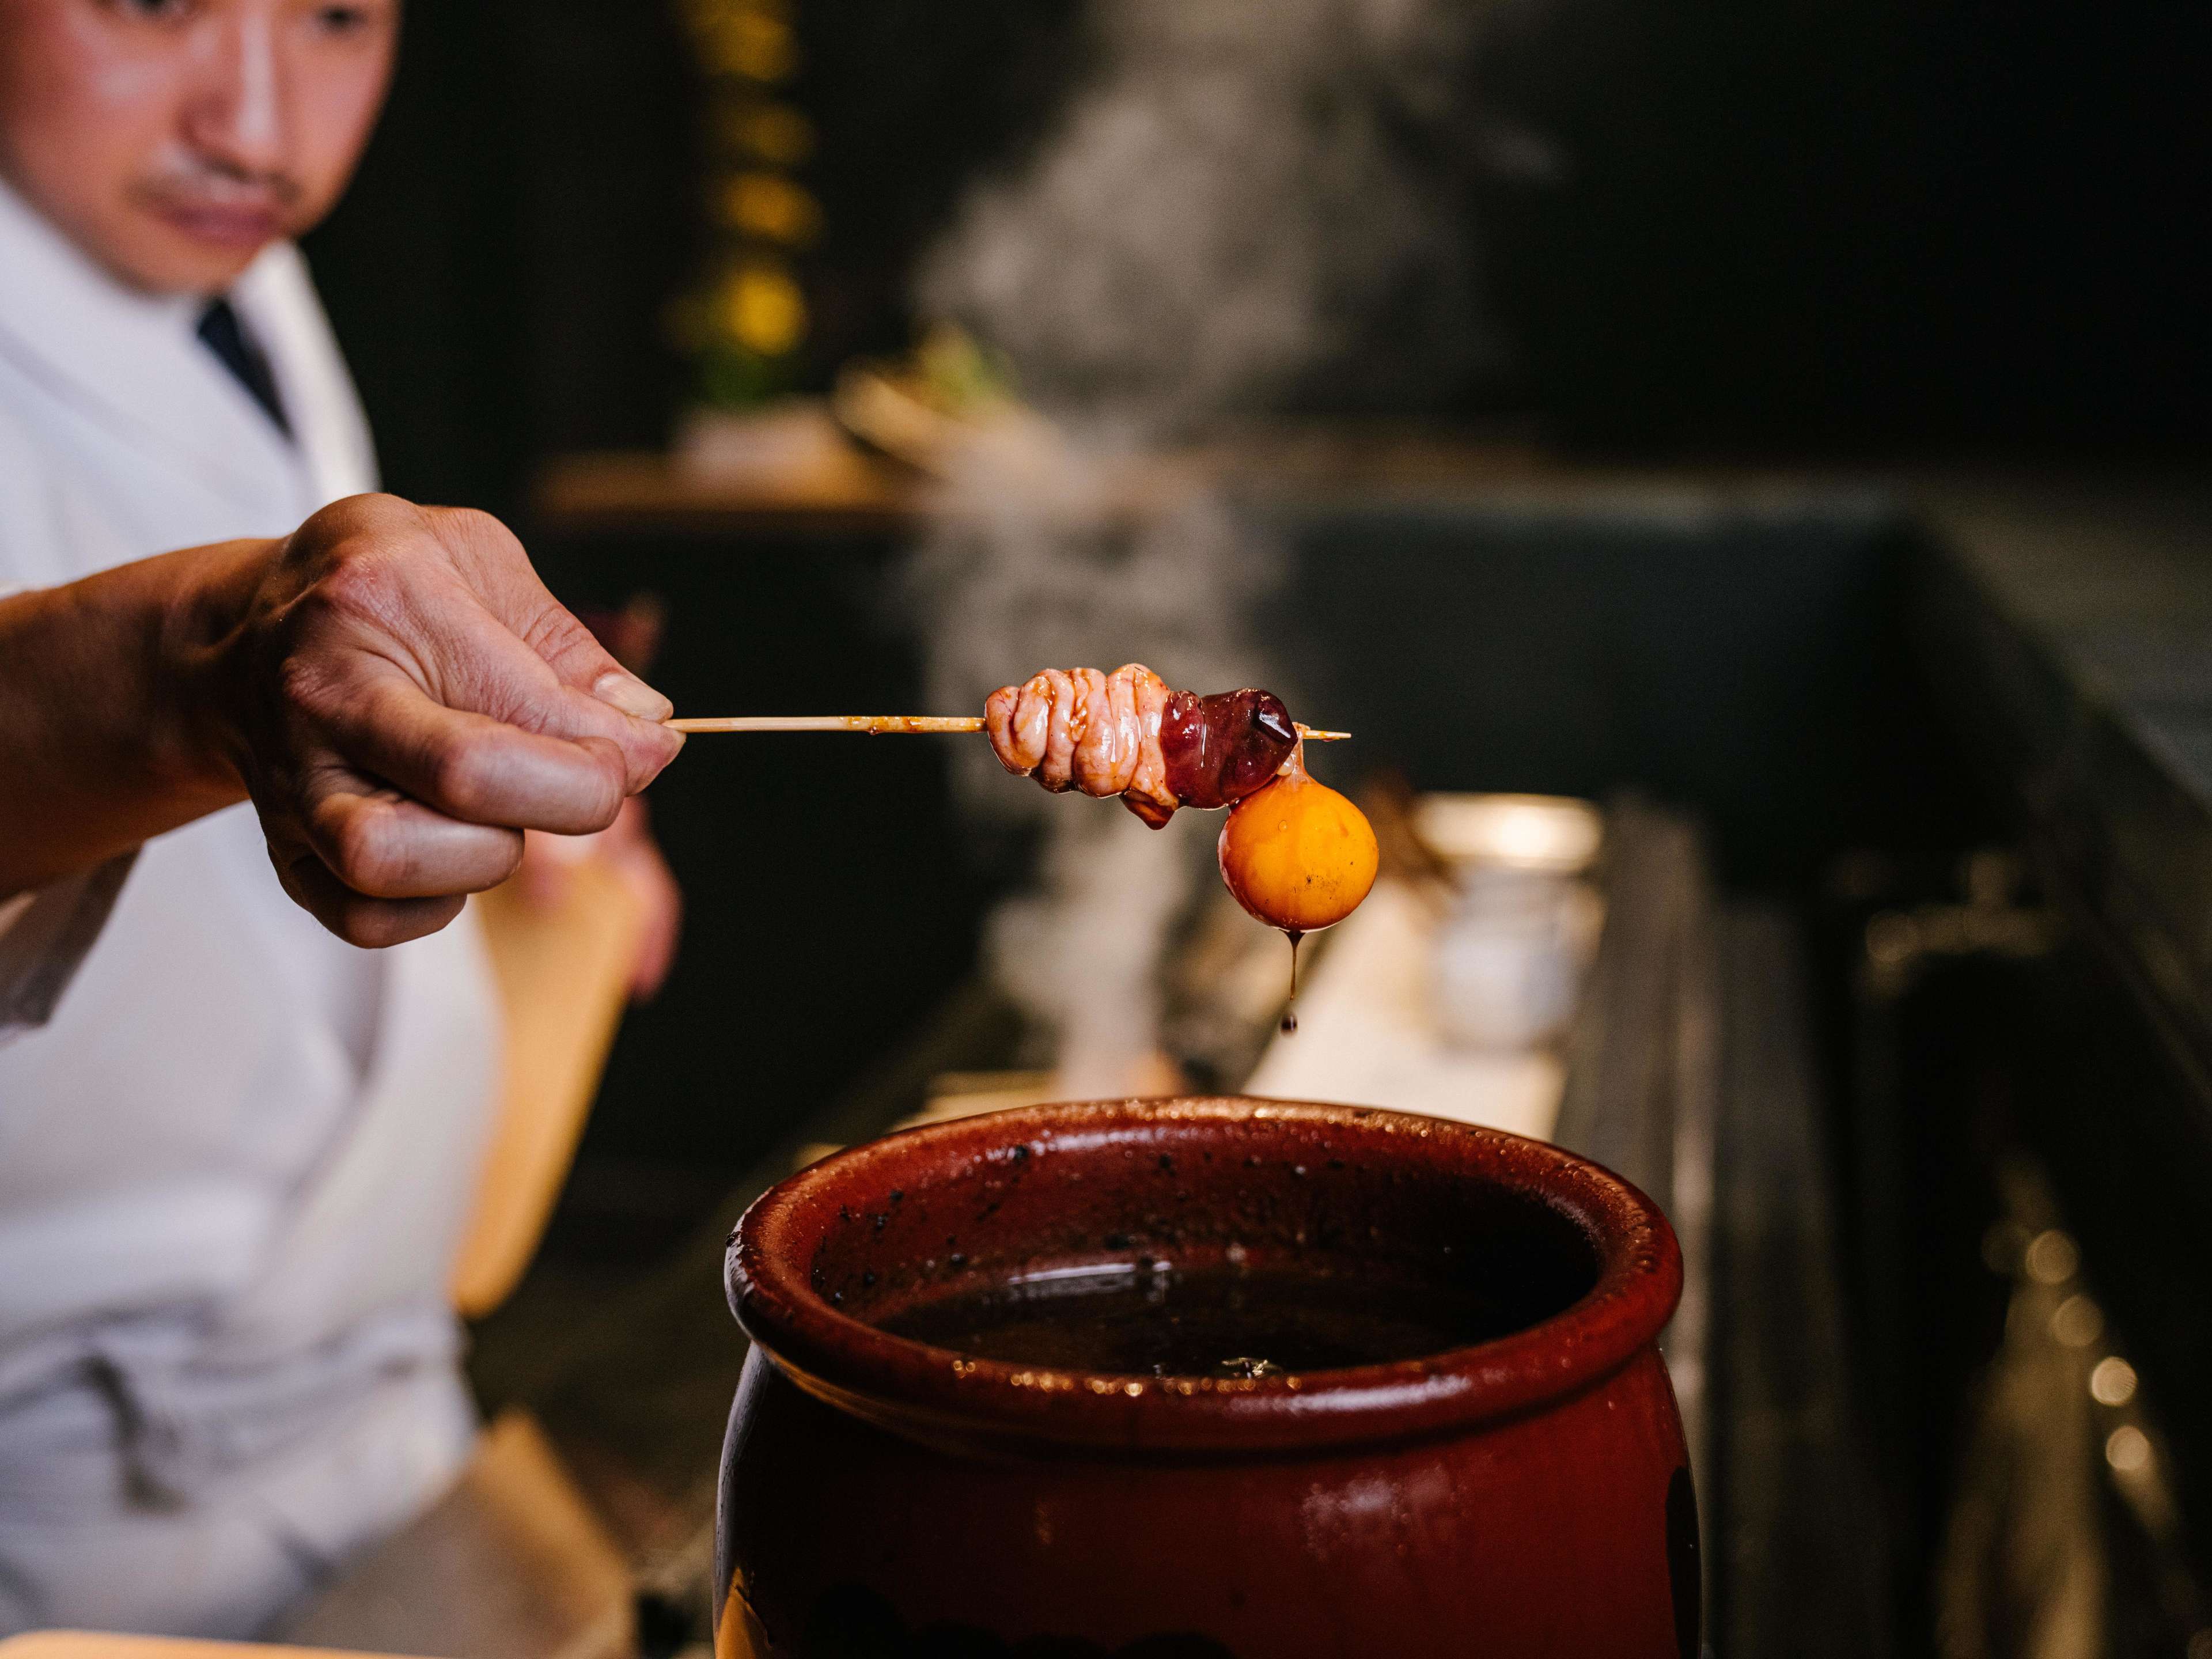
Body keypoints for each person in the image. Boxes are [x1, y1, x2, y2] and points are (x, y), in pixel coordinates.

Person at [0, 0, 680, 1634]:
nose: (261, 130)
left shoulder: (223, 267)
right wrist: (199, 674)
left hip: (394, 1457)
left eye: (335, 19)